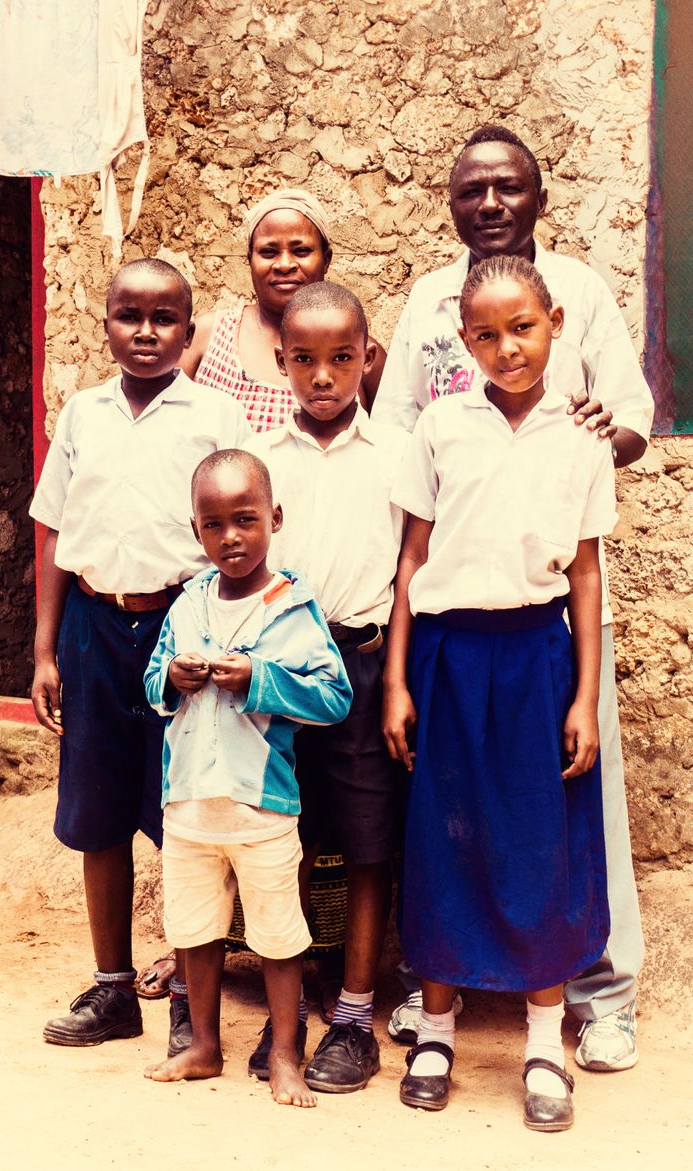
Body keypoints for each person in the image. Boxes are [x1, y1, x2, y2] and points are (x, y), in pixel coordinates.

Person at [373, 125, 653, 1072]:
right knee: (448, 806)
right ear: (450, 205)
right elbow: (400, 435)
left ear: (539, 195)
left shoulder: (580, 290)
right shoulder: (425, 302)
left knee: (575, 798)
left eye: (508, 187)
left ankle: (599, 992)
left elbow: (631, 421)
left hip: (548, 614)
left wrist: (582, 439)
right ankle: (433, 985)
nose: (490, 203)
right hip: (457, 611)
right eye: (471, 190)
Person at [383, 255, 615, 1131]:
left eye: (523, 327)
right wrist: (398, 679)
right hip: (447, 655)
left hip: (534, 660)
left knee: (537, 847)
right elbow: (411, 560)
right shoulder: (441, 425)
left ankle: (545, 1041)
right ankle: (436, 1029)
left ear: (555, 320)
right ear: (463, 339)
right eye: (486, 333)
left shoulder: (582, 432)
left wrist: (585, 696)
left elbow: (586, 576)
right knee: (447, 844)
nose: (507, 347)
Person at [29, 258, 251, 1052]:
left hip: (182, 629)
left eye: (165, 318)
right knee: (98, 814)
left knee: (187, 816)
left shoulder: (214, 416)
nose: (147, 331)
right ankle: (114, 988)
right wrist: (45, 648)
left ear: (189, 333)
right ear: (107, 326)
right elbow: (53, 530)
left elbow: (242, 533)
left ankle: (193, 999)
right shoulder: (84, 414)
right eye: (131, 315)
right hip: (93, 628)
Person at [141, 449, 352, 1105]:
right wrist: (172, 679)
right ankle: (203, 1043)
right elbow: (150, 687)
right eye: (214, 524)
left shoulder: (293, 606)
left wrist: (261, 680)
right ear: (197, 530)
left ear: (274, 518)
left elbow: (334, 695)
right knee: (194, 930)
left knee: (278, 935)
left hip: (262, 806)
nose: (230, 537)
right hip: (189, 807)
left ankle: (287, 1052)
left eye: (245, 519)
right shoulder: (187, 605)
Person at [243, 282, 408, 1093]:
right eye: (303, 359)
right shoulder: (260, 459)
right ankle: (293, 1008)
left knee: (371, 841)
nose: (322, 375)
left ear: (368, 360)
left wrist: (399, 679)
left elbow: (410, 577)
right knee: (289, 837)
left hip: (366, 661)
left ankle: (353, 1012)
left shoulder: (397, 455)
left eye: (342, 358)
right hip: (283, 670)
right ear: (280, 361)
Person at [182, 188, 385, 423]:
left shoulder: (358, 352)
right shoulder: (206, 337)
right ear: (249, 260)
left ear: (326, 259)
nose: (285, 264)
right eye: (268, 252)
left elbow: (390, 441)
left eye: (301, 251)